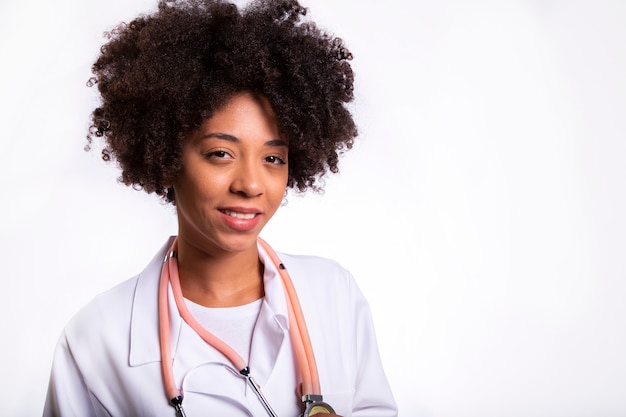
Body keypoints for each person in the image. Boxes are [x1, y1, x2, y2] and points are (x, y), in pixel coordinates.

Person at [43, 0, 397, 416]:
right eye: (220, 154)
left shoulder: (334, 295)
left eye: (272, 159)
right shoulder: (96, 339)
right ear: (167, 160)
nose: (249, 185)